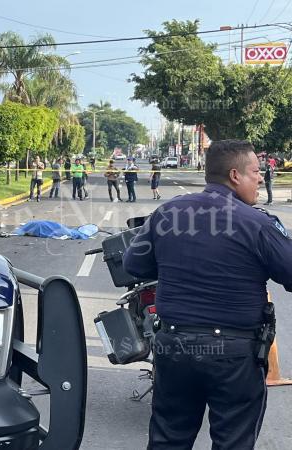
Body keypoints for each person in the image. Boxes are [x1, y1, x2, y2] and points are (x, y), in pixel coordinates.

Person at [123, 139, 292, 450]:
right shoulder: (258, 224)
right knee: (233, 442)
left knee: (168, 440)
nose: (261, 177)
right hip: (235, 355)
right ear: (234, 175)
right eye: (255, 171)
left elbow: (133, 264)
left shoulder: (167, 214)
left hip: (174, 348)